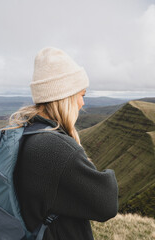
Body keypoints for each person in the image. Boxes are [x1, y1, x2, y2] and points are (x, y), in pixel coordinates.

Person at [12, 47, 119, 240]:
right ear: (66, 96)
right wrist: (108, 174)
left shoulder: (24, 131)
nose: (82, 104)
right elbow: (107, 205)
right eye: (82, 95)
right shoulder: (58, 149)